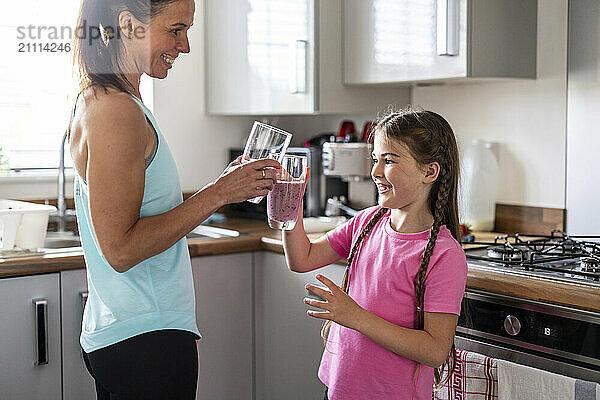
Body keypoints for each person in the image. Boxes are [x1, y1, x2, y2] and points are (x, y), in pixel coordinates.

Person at [68, 0, 280, 398]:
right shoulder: (116, 111)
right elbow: (121, 249)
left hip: (140, 331)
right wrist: (219, 193)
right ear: (129, 25)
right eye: (176, 29)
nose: (184, 46)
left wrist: (175, 322)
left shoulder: (108, 102)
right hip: (142, 338)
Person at [282, 108, 468, 400]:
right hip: (339, 388)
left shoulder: (444, 255)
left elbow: (435, 350)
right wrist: (288, 206)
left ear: (429, 172)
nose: (375, 171)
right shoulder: (366, 221)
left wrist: (354, 316)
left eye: (389, 160)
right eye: (375, 159)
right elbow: (301, 258)